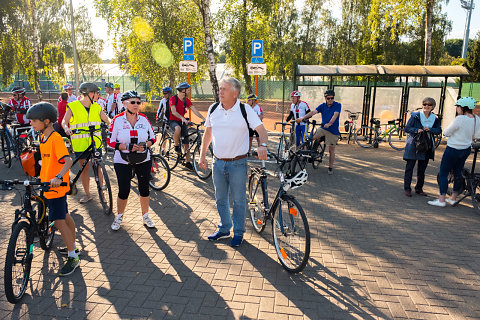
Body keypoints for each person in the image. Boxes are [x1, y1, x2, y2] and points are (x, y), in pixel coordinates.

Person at [199, 78, 268, 247]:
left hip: (238, 163)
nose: (220, 92)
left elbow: (261, 131)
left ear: (235, 93)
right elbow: (208, 134)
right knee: (220, 198)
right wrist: (202, 156)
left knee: (238, 200)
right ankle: (224, 228)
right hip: (218, 163)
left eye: (224, 89)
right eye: (220, 88)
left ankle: (238, 233)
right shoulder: (213, 108)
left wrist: (263, 145)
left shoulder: (245, 110)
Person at [26, 102, 79, 276]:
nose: (31, 123)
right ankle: (74, 247)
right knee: (63, 215)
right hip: (47, 184)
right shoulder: (43, 137)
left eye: (34, 121)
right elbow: (48, 161)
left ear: (46, 121)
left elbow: (68, 161)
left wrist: (58, 177)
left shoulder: (56, 138)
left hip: (56, 187)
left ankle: (73, 257)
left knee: (58, 220)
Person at [107, 90, 157, 230]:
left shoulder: (144, 119)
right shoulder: (117, 120)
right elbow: (109, 141)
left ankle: (145, 216)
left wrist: (145, 146)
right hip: (122, 160)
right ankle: (119, 217)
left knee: (144, 188)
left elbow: (153, 138)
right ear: (124, 103)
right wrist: (126, 146)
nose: (136, 105)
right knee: (124, 190)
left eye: (138, 102)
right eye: (132, 102)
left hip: (143, 159)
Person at [62, 82, 110, 203]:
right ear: (89, 93)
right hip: (81, 144)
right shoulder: (73, 106)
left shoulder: (97, 107)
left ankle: (102, 192)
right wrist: (66, 128)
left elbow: (106, 119)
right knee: (84, 169)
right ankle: (87, 194)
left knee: (99, 166)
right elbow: (64, 121)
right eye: (96, 93)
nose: (98, 95)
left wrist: (112, 123)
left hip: (96, 142)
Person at [429, 97, 480, 207]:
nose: (457, 108)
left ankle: (441, 200)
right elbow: (477, 135)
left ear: (463, 107)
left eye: (458, 106)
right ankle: (453, 198)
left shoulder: (460, 119)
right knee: (458, 172)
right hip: (465, 150)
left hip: (453, 149)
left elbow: (447, 132)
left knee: (444, 173)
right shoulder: (476, 119)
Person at [403, 97, 442, 197]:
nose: (426, 106)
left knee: (422, 169)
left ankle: (419, 188)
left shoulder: (435, 118)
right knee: (410, 167)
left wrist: (430, 129)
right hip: (414, 145)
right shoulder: (415, 116)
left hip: (426, 146)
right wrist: (417, 130)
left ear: (433, 107)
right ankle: (407, 188)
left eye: (429, 105)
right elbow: (407, 128)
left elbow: (439, 130)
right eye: (424, 104)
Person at [297, 89, 341, 175]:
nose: (330, 100)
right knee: (311, 138)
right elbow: (313, 112)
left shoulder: (337, 105)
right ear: (325, 98)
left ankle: (330, 167)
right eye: (328, 98)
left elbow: (335, 115)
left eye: (332, 98)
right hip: (323, 128)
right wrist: (303, 118)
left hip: (332, 131)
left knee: (331, 150)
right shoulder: (322, 106)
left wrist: (330, 123)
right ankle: (311, 153)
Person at [169, 82, 206, 170]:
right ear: (183, 90)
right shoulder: (173, 99)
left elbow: (194, 110)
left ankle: (188, 162)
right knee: (177, 128)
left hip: (183, 121)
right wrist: (182, 118)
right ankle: (176, 146)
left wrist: (203, 118)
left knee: (186, 143)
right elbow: (173, 111)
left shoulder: (186, 100)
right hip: (173, 121)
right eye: (188, 89)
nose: (189, 91)